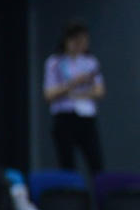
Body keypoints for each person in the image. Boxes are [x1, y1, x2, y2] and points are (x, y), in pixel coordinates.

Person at [43, 21, 106, 174]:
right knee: (67, 163)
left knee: (96, 162)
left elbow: (99, 91)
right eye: (76, 40)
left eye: (84, 40)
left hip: (86, 117)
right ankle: (70, 196)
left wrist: (78, 93)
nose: (80, 44)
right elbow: (49, 94)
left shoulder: (90, 62)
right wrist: (74, 83)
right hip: (65, 117)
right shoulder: (55, 62)